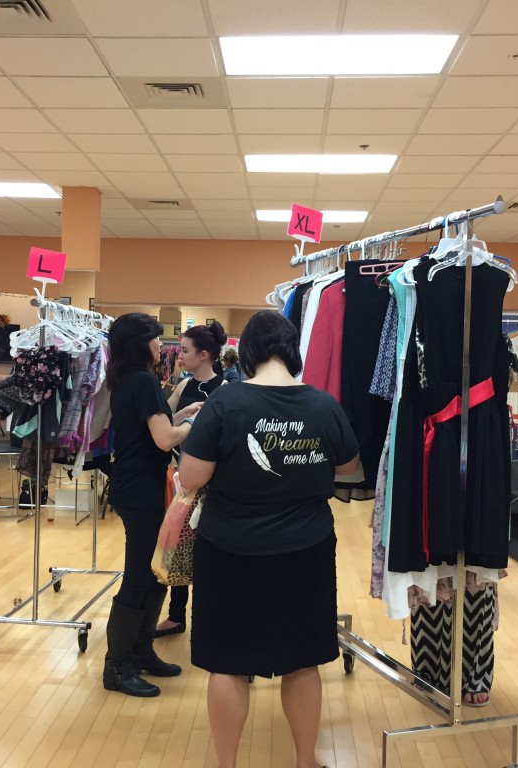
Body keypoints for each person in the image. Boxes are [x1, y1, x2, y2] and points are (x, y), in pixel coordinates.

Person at [179, 310, 360, 768]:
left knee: (228, 662)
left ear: (248, 353)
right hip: (305, 550)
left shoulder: (225, 403)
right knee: (303, 660)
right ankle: (305, 760)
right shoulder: (323, 405)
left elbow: (191, 477)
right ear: (292, 349)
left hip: (229, 549)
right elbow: (349, 467)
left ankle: (227, 764)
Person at [103, 312, 202, 697]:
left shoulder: (128, 379)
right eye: (156, 338)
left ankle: (141, 652)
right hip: (141, 489)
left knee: (155, 571)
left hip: (136, 485)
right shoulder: (143, 380)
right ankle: (117, 666)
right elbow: (164, 440)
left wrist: (180, 415)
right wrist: (192, 424)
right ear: (139, 343)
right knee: (140, 574)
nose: (162, 344)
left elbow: (148, 431)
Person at [156, 321, 227, 638]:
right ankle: (176, 615)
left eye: (184, 351)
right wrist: (184, 417)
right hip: (180, 477)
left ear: (204, 354)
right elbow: (166, 423)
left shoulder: (225, 389)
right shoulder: (183, 385)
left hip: (212, 480)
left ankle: (209, 617)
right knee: (178, 543)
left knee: (207, 548)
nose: (179, 356)